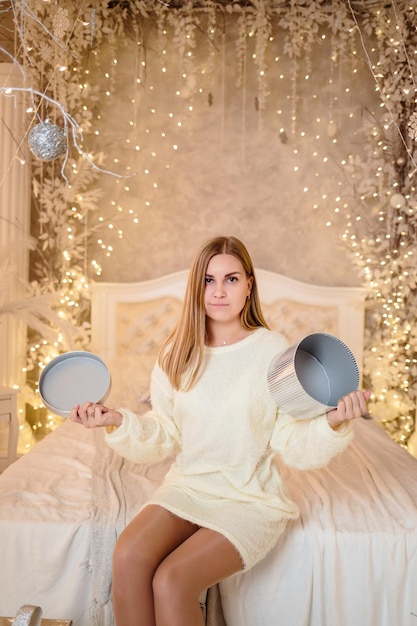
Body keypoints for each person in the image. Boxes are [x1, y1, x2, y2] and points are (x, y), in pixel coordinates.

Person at [70, 235, 370, 626]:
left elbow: (291, 444)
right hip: (189, 486)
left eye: (230, 279)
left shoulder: (274, 352)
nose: (219, 291)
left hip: (249, 500)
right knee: (127, 554)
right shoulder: (176, 351)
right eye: (208, 280)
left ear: (249, 286)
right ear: (197, 288)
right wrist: (116, 421)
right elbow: (165, 433)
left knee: (172, 580)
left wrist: (332, 423)